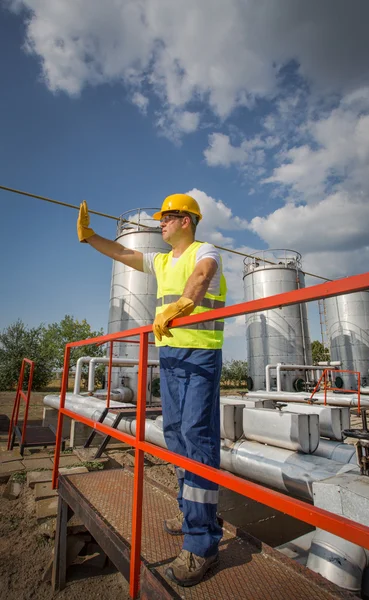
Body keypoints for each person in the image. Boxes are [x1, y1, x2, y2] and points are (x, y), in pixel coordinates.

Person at [77, 193, 227, 586]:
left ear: (187, 220)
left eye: (168, 217)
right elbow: (125, 255)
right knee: (176, 435)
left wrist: (183, 304)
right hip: (173, 359)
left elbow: (203, 275)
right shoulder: (162, 260)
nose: (160, 223)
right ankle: (191, 511)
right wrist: (91, 237)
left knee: (197, 438)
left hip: (200, 357)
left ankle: (202, 543)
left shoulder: (203, 249)